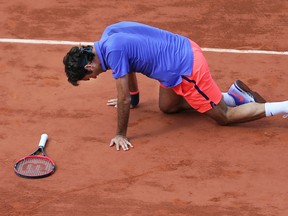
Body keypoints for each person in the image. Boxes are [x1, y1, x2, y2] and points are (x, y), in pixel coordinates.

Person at [63, 21, 288, 151]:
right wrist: (134, 99)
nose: (92, 79)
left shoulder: (112, 52)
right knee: (167, 107)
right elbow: (128, 68)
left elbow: (121, 98)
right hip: (174, 59)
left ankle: (282, 106)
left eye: (88, 77)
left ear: (88, 67)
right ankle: (233, 95)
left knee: (224, 116)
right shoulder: (108, 37)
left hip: (185, 67)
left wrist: (120, 133)